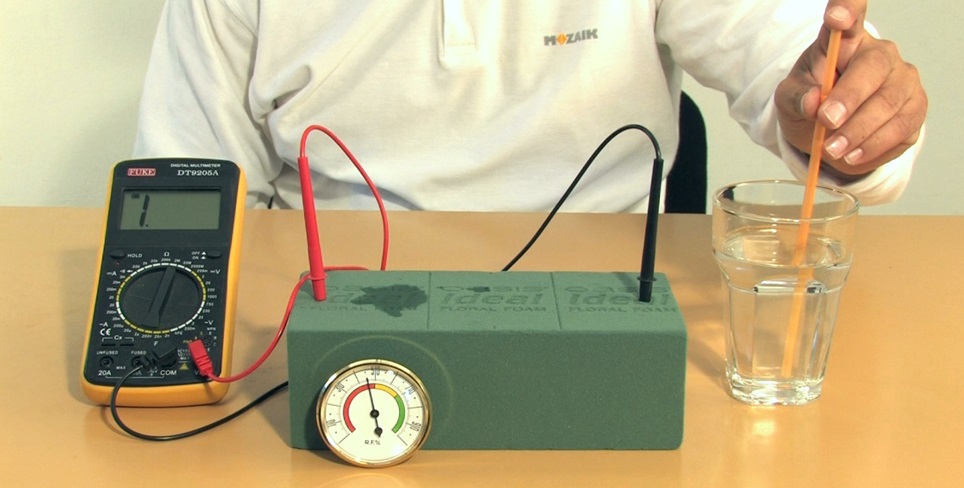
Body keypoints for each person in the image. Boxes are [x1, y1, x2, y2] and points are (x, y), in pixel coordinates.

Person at [133, 0, 926, 212]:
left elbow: (822, 85)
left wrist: (846, 121)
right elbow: (189, 202)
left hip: (605, 329)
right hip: (335, 331)